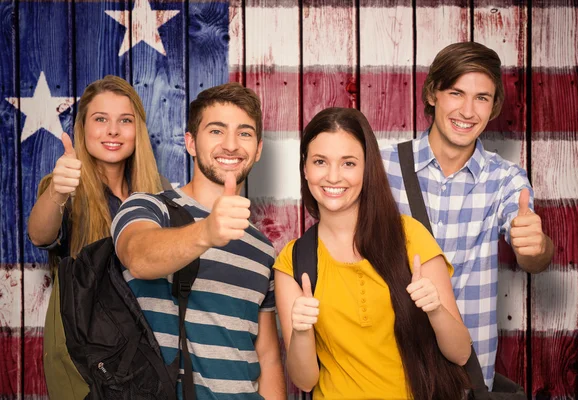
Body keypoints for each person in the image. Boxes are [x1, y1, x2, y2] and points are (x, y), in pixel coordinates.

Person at [381, 41, 555, 391]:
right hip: (387, 367)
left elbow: (534, 256)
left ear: (493, 108)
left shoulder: (506, 180)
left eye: (482, 98)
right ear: (432, 94)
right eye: (456, 92)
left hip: (466, 377)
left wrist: (535, 247)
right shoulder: (382, 169)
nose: (467, 110)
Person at [274, 107, 472, 400]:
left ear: (368, 168)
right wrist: (302, 332)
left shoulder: (410, 236)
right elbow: (304, 381)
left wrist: (435, 310)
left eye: (348, 163)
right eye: (320, 162)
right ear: (305, 168)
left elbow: (461, 353)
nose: (333, 176)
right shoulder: (293, 262)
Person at [110, 82, 285, 400]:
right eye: (216, 131)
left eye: (244, 133)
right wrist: (207, 232)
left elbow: (268, 357)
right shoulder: (148, 207)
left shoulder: (263, 250)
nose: (231, 145)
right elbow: (138, 255)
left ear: (258, 149)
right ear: (191, 143)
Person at [27, 75, 166, 400]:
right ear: (83, 128)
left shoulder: (161, 192)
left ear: (138, 130)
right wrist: (58, 193)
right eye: (101, 119)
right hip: (86, 359)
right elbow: (39, 234)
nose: (113, 130)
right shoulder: (64, 186)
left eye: (125, 120)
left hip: (148, 357)